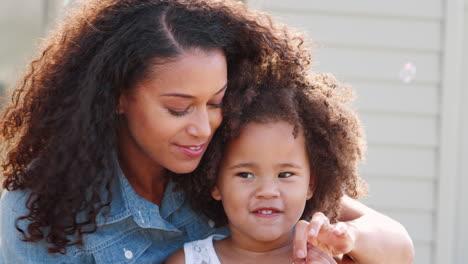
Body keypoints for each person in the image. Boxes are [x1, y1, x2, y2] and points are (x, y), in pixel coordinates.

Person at [0, 0, 413, 263]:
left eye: (216, 102)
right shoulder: (39, 208)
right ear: (118, 97)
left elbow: (394, 243)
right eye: (178, 108)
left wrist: (345, 238)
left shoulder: (230, 154)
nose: (202, 128)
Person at [166, 74, 369, 264]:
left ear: (311, 184)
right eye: (245, 174)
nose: (267, 191)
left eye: (285, 174)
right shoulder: (188, 261)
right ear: (215, 183)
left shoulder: (328, 256)